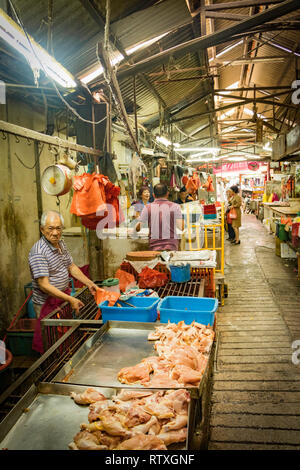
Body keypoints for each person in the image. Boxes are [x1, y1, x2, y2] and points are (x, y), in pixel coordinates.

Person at [135, 183, 184, 251]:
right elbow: (181, 227)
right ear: (167, 194)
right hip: (171, 246)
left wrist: (136, 225)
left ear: (153, 195)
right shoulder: (175, 206)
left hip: (154, 247)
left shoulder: (147, 207)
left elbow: (138, 228)